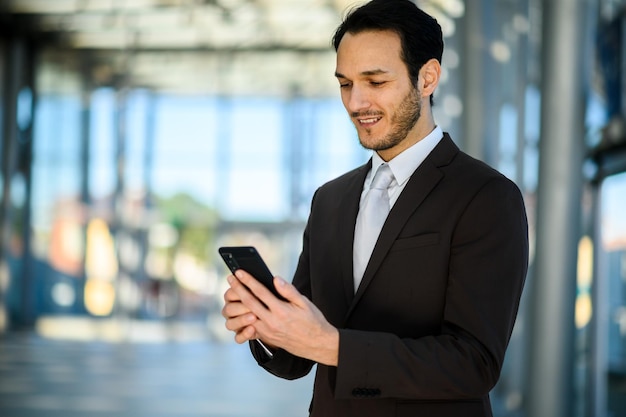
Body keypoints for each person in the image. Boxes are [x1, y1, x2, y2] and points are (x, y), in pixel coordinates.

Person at [221, 1, 529, 416]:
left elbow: (474, 363)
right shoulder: (329, 200)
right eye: (345, 84)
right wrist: (268, 327)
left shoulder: (487, 196)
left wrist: (334, 346)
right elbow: (299, 357)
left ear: (428, 78)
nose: (355, 102)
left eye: (376, 81)